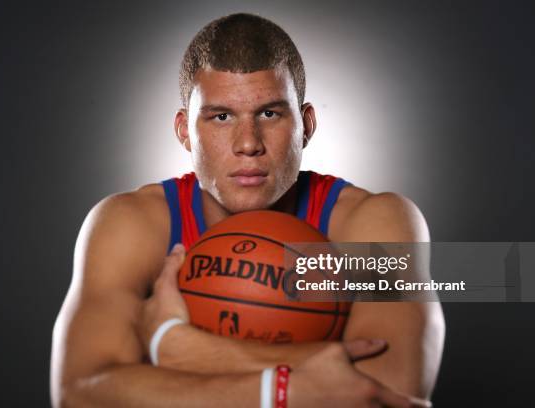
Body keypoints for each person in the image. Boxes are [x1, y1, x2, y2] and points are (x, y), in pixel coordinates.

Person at [50, 13, 444, 407]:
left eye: (269, 114)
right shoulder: (132, 224)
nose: (248, 144)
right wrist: (284, 387)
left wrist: (182, 347)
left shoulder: (376, 222)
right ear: (185, 131)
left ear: (305, 125)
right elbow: (79, 393)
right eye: (221, 117)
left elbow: (390, 396)